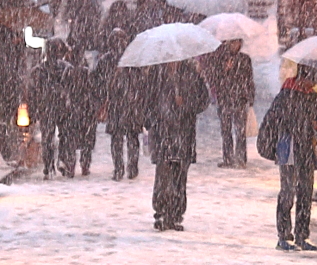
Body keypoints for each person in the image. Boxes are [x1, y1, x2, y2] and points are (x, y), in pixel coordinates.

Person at [256, 65, 317, 251]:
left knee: (305, 192)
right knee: (288, 192)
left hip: (306, 148)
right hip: (288, 148)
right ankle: (283, 236)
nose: (313, 84)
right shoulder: (286, 95)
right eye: (311, 80)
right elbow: (279, 121)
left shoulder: (315, 97)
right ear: (302, 78)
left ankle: (301, 235)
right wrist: (308, 124)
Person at [147, 58, 209, 230]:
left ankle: (175, 214)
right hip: (162, 133)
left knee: (179, 177)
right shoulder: (156, 74)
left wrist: (186, 103)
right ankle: (161, 212)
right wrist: (151, 121)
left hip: (184, 132)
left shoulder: (191, 73)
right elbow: (148, 101)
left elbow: (203, 101)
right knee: (163, 175)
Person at [28, 39, 76, 179]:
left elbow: (33, 93)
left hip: (47, 108)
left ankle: (48, 166)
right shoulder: (67, 69)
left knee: (48, 138)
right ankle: (63, 160)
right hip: (63, 107)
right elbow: (74, 90)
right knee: (65, 136)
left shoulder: (38, 70)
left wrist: (34, 110)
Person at [206, 38, 255, 167]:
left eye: (237, 42)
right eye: (233, 42)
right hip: (225, 98)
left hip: (240, 98)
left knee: (240, 131)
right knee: (226, 130)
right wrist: (224, 70)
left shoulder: (244, 59)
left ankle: (241, 158)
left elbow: (249, 79)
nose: (235, 45)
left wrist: (250, 97)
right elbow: (214, 79)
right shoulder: (219, 59)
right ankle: (227, 158)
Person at [102, 30, 144, 182]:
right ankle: (127, 168)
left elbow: (98, 81)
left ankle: (122, 168)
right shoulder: (132, 59)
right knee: (127, 138)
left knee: (121, 138)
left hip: (123, 103)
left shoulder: (113, 59)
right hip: (126, 104)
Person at [61, 47, 104, 176]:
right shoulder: (87, 73)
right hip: (86, 110)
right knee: (87, 140)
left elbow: (64, 90)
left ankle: (71, 166)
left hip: (74, 110)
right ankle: (85, 165)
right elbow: (95, 90)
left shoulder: (68, 72)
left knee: (71, 140)